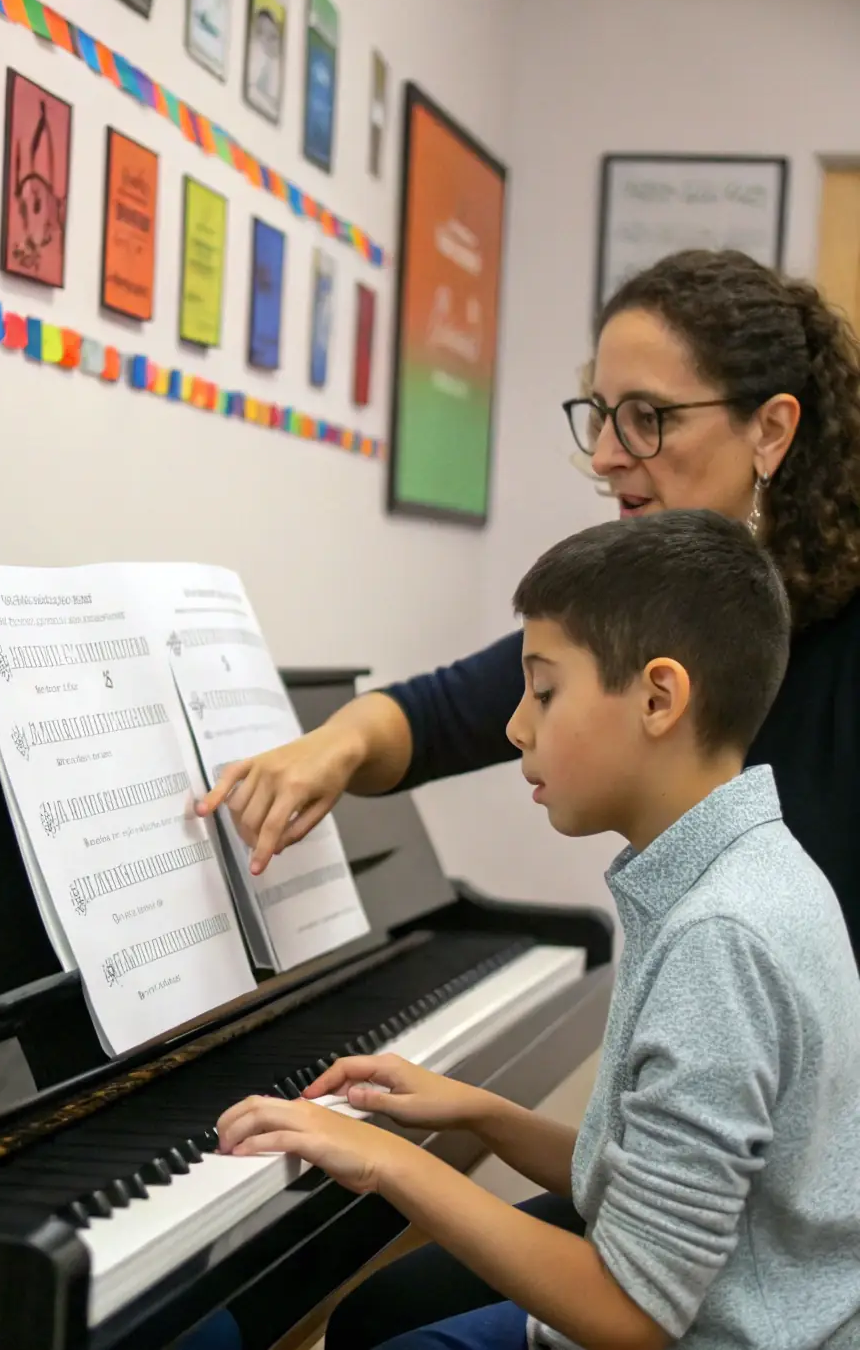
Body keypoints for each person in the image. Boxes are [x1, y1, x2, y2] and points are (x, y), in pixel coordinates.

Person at [216, 510, 860, 1350]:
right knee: (371, 1318)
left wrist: (389, 1160)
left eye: (545, 690)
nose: (517, 725)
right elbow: (650, 1186)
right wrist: (481, 1112)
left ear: (660, 698)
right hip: (742, 1305)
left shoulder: (721, 936)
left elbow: (632, 1317)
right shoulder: (746, 867)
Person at [197, 249, 860, 970]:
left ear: (769, 429)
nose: (606, 454)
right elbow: (437, 716)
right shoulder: (654, 605)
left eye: (647, 417)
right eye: (603, 415)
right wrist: (335, 742)